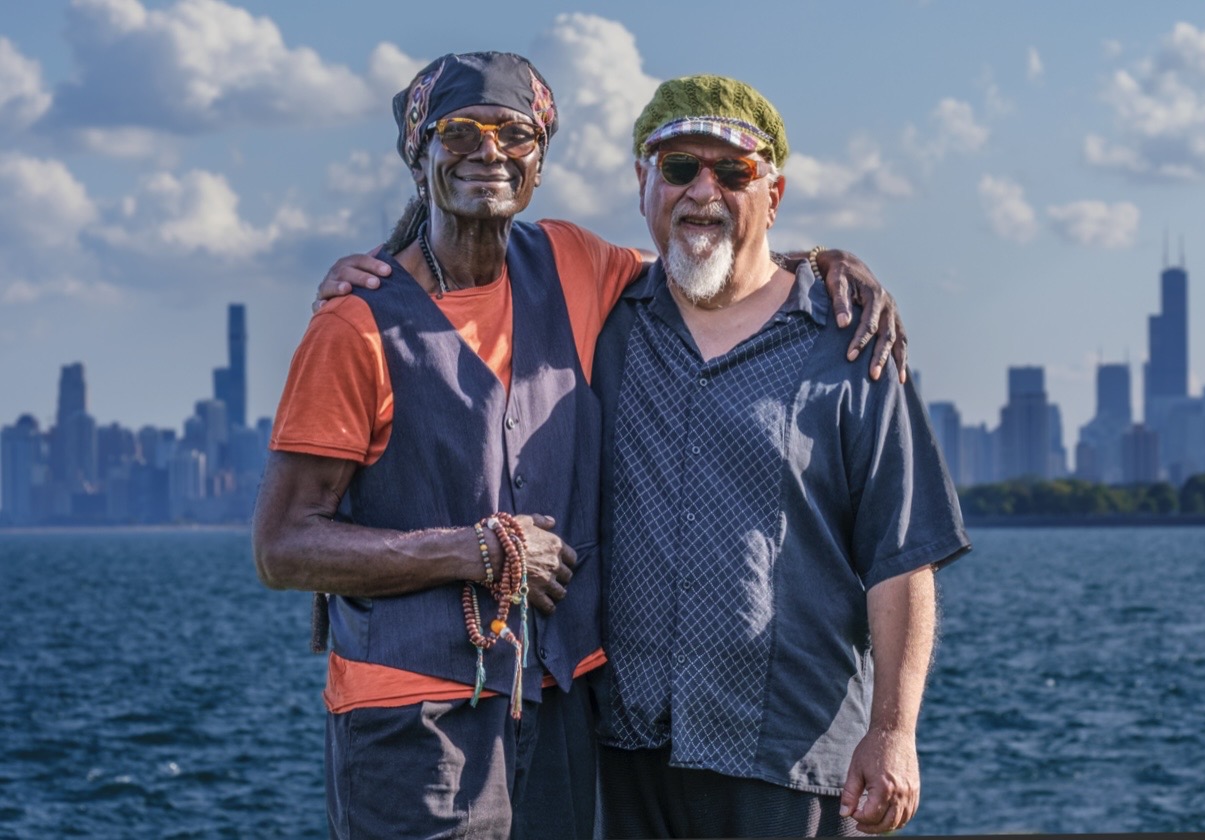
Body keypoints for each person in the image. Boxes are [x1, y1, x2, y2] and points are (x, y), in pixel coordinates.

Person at [255, 53, 905, 840]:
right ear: (417, 152)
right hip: (412, 714)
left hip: (557, 705)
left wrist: (822, 263)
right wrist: (472, 551)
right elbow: (283, 546)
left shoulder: (570, 262)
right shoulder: (354, 325)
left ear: (539, 160)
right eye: (458, 132)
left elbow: (709, 257)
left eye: (514, 135)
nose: (488, 151)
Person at [587, 75, 972, 838]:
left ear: (773, 192)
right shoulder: (600, 323)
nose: (704, 191)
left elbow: (902, 557)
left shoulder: (852, 344)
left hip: (788, 758)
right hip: (620, 751)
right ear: (642, 184)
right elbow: (473, 246)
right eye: (677, 168)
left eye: (732, 173)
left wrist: (893, 733)